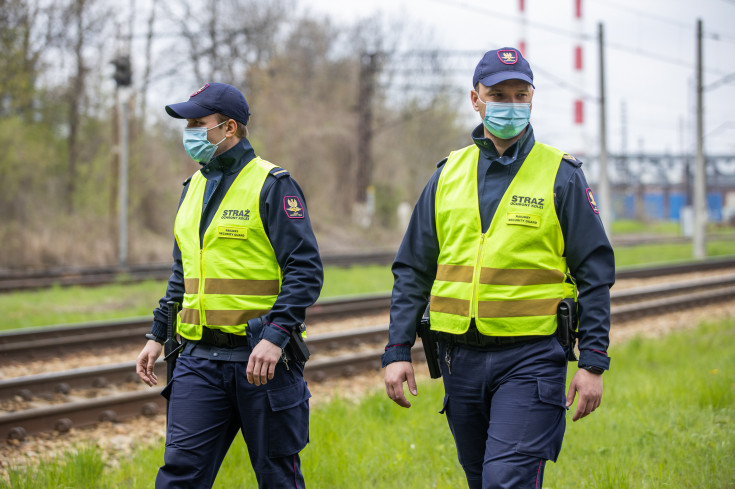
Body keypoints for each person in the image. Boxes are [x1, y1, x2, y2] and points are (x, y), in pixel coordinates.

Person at [382, 48, 615, 489]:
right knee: (481, 480)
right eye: (498, 94)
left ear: (532, 98)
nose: (510, 104)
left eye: (520, 94)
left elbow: (594, 273)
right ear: (476, 99)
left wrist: (594, 362)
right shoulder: (447, 173)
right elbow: (413, 268)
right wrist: (397, 350)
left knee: (504, 482)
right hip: (459, 361)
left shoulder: (561, 175)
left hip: (531, 360)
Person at [135, 82, 323, 489]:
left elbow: (305, 269)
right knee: (178, 478)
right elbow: (182, 274)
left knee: (278, 479)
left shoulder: (273, 185)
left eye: (198, 123)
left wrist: (275, 336)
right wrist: (157, 333)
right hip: (197, 362)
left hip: (262, 363)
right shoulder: (192, 189)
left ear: (229, 128)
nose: (190, 132)